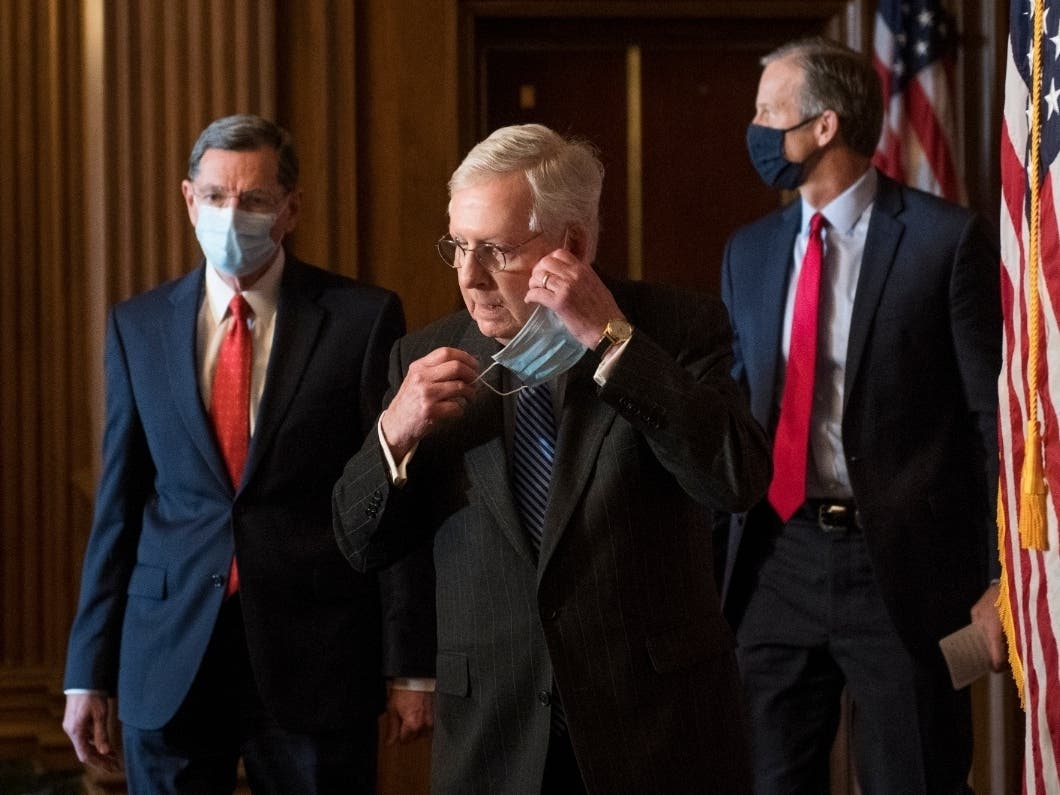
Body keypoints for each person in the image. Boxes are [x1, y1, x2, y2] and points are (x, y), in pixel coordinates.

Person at [332, 122, 771, 793]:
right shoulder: (422, 356)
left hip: (652, 736)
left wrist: (614, 343)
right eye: (457, 246)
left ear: (572, 245)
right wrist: (393, 432)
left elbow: (736, 478)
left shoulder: (679, 330)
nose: (468, 277)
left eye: (495, 251)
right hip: (495, 743)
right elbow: (358, 541)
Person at [62, 114, 435, 794]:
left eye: (255, 199)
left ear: (290, 210)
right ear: (188, 199)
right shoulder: (136, 326)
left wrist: (410, 664)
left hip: (315, 653)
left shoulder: (361, 318)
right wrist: (87, 668)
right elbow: (118, 505)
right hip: (169, 650)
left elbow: (392, 492)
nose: (232, 214)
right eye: (215, 196)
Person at [719, 37, 1004, 793]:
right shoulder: (747, 252)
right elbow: (735, 415)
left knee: (915, 777)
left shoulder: (945, 241)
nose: (753, 129)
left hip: (906, 570)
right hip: (777, 558)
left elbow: (991, 423)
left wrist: (1000, 576)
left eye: (767, 112)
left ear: (824, 125)